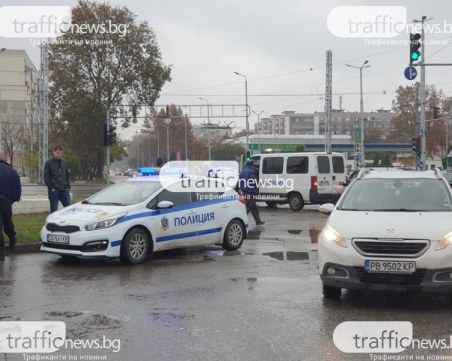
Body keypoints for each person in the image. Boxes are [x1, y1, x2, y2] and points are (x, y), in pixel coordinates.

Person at [0, 153, 21, 261]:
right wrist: (14, 199)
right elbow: (17, 186)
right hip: (6, 201)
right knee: (7, 223)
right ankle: (12, 241)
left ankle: (1, 253)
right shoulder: (11, 170)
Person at [44, 145, 71, 213]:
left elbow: (67, 175)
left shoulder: (64, 162)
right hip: (54, 191)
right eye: (58, 153)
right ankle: (52, 223)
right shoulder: (48, 163)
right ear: (54, 152)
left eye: (61, 153)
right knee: (54, 210)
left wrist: (68, 186)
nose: (59, 155)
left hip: (64, 190)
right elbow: (46, 176)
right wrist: (51, 188)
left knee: (69, 209)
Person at [238, 159, 265, 225]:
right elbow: (254, 180)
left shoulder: (243, 171)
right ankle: (240, 221)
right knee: (248, 207)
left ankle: (258, 221)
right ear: (253, 164)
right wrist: (260, 183)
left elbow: (239, 180)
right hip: (250, 192)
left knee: (254, 208)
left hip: (245, 191)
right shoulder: (252, 172)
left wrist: (237, 189)